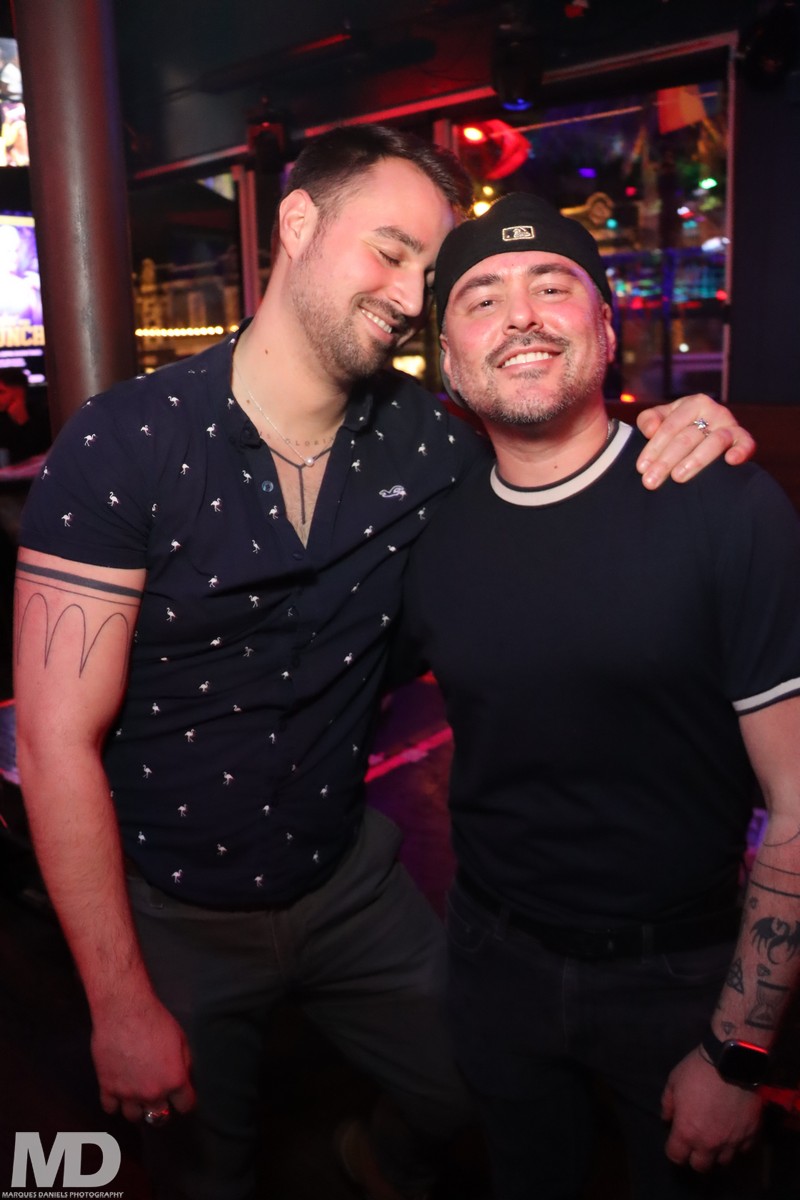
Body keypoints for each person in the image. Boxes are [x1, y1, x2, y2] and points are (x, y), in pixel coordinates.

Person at [13, 125, 753, 1200]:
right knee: (196, 1168)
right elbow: (54, 738)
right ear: (296, 223)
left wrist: (675, 430)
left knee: (473, 1090)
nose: (410, 296)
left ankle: (379, 1160)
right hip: (171, 905)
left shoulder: (429, 445)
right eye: (390, 251)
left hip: (349, 882)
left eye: (427, 273)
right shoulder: (127, 442)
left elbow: (557, 456)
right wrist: (119, 1000)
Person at [398, 192, 800, 1199]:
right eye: (481, 298)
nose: (521, 315)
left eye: (552, 285)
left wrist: (739, 1053)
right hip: (489, 956)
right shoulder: (429, 535)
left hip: (681, 977)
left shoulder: (724, 505)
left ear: (607, 328)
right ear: (447, 359)